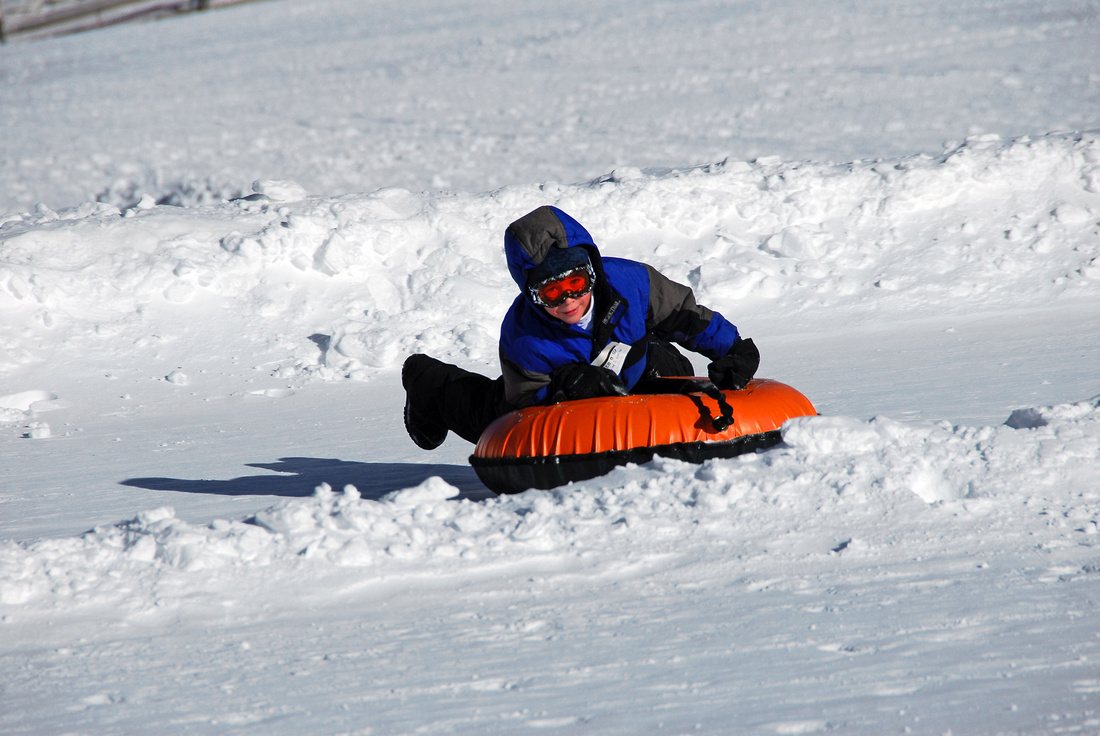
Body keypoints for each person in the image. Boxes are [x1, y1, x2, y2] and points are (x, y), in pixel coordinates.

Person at [401, 205, 759, 450]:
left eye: (575, 284)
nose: (568, 300)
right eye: (552, 292)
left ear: (592, 273)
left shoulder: (632, 283)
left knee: (676, 370)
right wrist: (566, 384)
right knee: (487, 415)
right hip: (539, 397)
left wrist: (733, 350)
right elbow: (525, 400)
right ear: (533, 296)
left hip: (629, 362)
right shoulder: (524, 336)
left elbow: (685, 315)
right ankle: (427, 380)